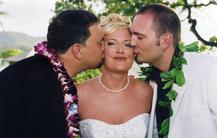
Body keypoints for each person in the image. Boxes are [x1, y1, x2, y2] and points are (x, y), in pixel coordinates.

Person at [0, 9, 104, 138]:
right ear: (77, 50)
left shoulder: (49, 76)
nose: (105, 47)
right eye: (100, 43)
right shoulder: (34, 82)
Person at [131, 3, 217, 138]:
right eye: (132, 35)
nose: (132, 42)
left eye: (139, 37)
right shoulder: (146, 85)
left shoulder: (209, 69)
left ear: (165, 41)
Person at [77, 14, 153, 138]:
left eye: (127, 44)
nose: (120, 50)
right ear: (101, 49)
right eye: (112, 43)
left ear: (134, 51)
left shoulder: (147, 92)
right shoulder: (78, 94)